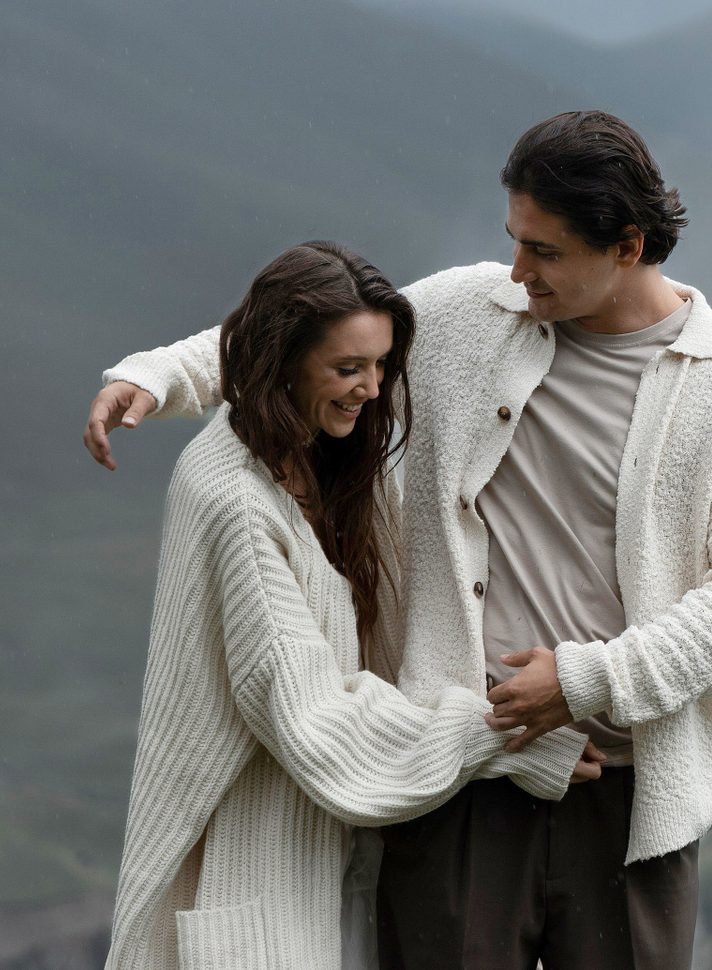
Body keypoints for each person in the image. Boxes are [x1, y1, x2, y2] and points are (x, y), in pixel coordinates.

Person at [86, 112, 712, 970]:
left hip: (629, 798)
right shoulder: (474, 312)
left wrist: (584, 682)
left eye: (544, 250)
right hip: (457, 779)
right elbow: (310, 334)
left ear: (627, 247)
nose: (518, 269)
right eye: (514, 240)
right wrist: (162, 375)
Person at [103, 240, 594, 970]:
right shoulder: (236, 501)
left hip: (339, 868)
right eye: (346, 368)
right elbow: (315, 721)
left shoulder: (329, 458)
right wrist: (507, 735)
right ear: (283, 359)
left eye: (382, 365)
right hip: (254, 878)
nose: (371, 388)